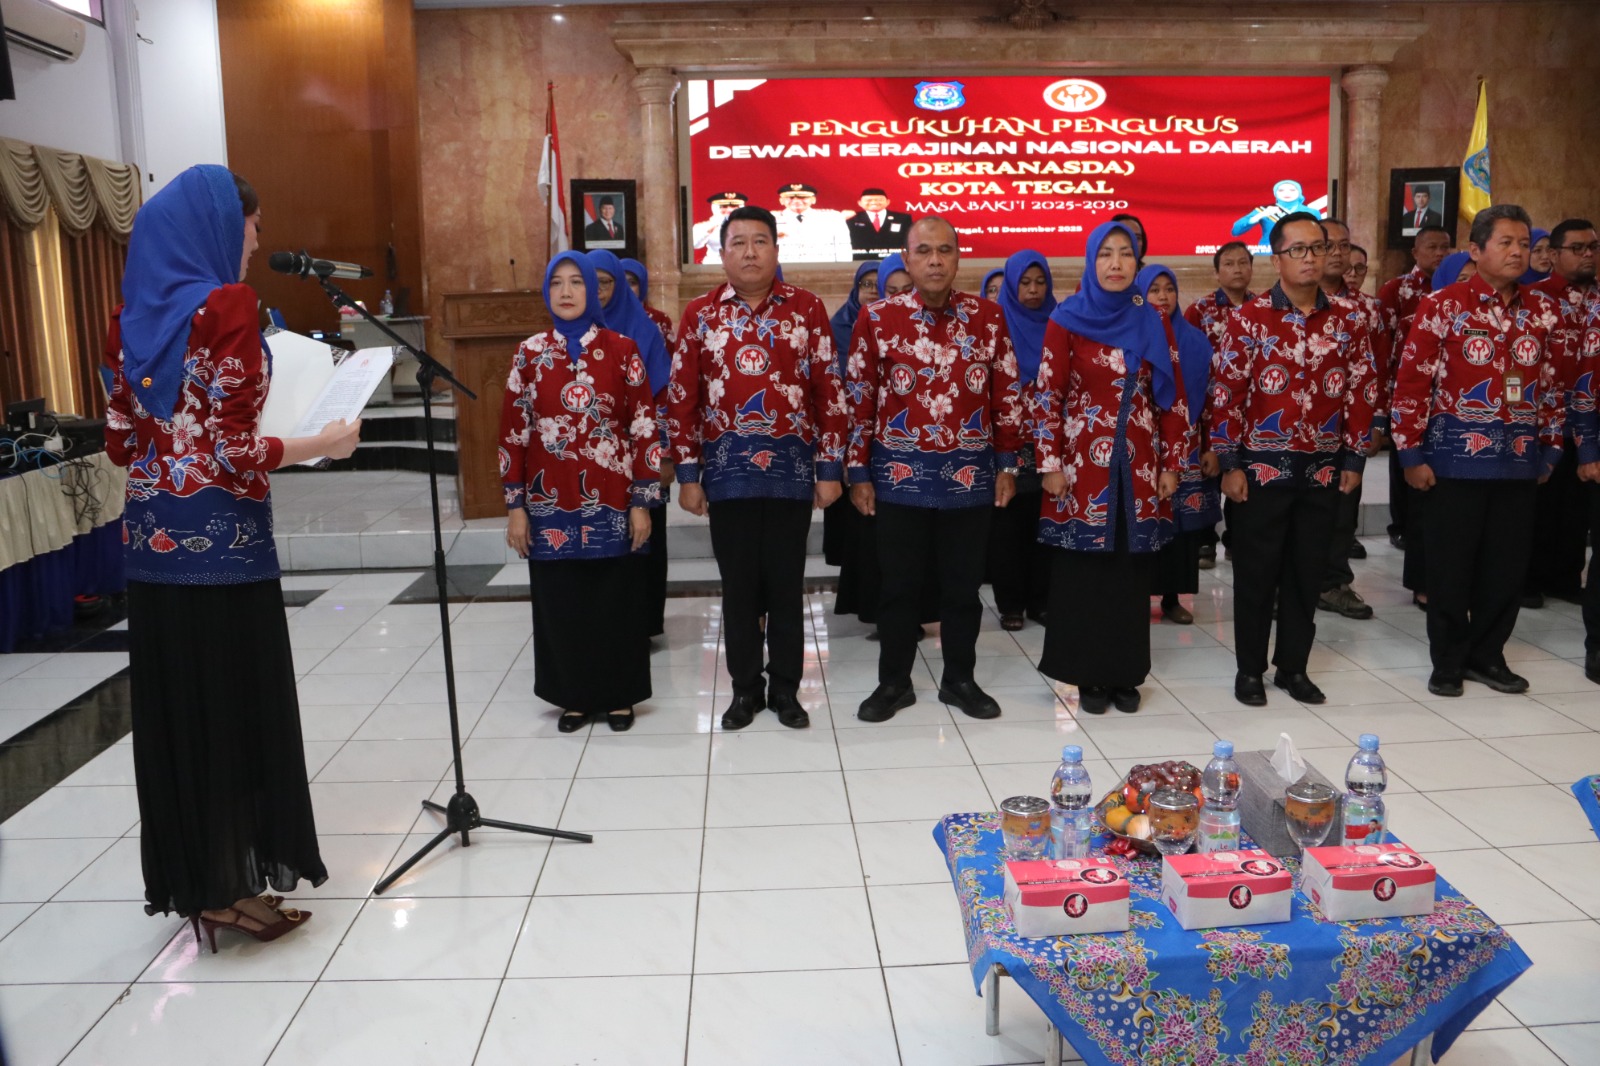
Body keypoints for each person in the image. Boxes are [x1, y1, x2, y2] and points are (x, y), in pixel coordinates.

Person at [104, 165, 361, 950]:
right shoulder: (227, 307)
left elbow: (120, 445)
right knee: (237, 714)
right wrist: (327, 440)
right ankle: (233, 885)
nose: (256, 240)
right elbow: (237, 451)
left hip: (153, 555)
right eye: (250, 224)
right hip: (225, 553)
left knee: (184, 718)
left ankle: (206, 884)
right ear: (217, 228)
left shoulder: (127, 321)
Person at [1390, 204, 1585, 698]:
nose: (1519, 251)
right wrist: (1410, 454)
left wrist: (1551, 449)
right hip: (1453, 462)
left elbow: (1551, 384)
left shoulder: (1544, 311)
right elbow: (1411, 384)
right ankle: (1449, 661)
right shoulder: (1443, 305)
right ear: (1475, 251)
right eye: (1506, 242)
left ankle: (1488, 656)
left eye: (1524, 242)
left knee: (1506, 569)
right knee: (1451, 568)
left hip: (1519, 462)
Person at [667, 205, 848, 729]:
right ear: (721, 253)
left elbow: (828, 393)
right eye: (738, 242)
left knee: (787, 587)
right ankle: (745, 690)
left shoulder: (807, 310)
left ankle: (787, 691)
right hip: (726, 476)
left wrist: (829, 467)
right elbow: (683, 399)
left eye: (760, 241)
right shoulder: (700, 314)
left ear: (776, 249)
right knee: (739, 588)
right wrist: (687, 475)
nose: (749, 251)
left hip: (792, 474)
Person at [847, 216, 1023, 722]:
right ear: (906, 259)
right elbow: (859, 400)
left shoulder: (988, 318)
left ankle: (959, 680)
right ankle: (894, 683)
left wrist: (1007, 463)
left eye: (945, 250)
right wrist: (858, 472)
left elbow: (1006, 395)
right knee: (898, 587)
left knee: (962, 589)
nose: (935, 261)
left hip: (969, 478)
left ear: (958, 257)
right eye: (923, 251)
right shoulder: (878, 318)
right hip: (899, 478)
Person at [1211, 212, 1375, 707]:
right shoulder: (1248, 319)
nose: (1310, 258)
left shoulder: (1350, 320)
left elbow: (1362, 391)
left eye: (1318, 248)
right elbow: (1226, 394)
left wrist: (1355, 458)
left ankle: (1293, 667)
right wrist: (1229, 462)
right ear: (1277, 257)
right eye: (1298, 249)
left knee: (1307, 572)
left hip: (1323, 468)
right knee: (1257, 574)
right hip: (1260, 470)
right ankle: (1249, 670)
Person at [1033, 224, 1188, 713]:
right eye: (1106, 254)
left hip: (1139, 468)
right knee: (1085, 573)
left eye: (1126, 254)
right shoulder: (1067, 319)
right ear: (1090, 262)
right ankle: (1087, 676)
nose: (1116, 263)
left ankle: (1124, 674)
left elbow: (1172, 398)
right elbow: (1047, 395)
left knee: (1128, 573)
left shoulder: (1153, 320)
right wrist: (1050, 463)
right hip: (1081, 469)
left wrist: (1172, 463)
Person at [501, 252, 658, 732]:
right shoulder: (528, 354)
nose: (566, 292)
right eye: (556, 284)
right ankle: (573, 696)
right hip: (549, 502)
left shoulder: (622, 348)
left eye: (576, 283)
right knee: (562, 603)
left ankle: (619, 697)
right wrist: (516, 507)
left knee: (615, 600)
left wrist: (642, 501)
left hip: (611, 497)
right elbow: (512, 432)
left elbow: (643, 427)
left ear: (594, 290)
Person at [831, 255, 932, 631]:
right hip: (870, 448)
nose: (898, 299)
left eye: (908, 291)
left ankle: (917, 614)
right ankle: (880, 613)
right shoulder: (855, 326)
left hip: (919, 450)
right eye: (891, 291)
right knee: (877, 539)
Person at [590, 250, 673, 638]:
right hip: (589, 460)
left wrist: (664, 454)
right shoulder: (571, 330)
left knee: (643, 539)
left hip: (640, 455)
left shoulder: (645, 329)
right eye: (591, 281)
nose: (598, 290)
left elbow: (664, 395)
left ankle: (642, 624)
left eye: (606, 282)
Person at [1315, 218, 1389, 622]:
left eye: (1345, 245)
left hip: (1348, 430)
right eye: (1329, 245)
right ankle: (1284, 585)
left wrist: (1376, 423)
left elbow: (1378, 370)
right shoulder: (1284, 302)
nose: (1339, 253)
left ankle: (1333, 583)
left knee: (1343, 509)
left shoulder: (1368, 309)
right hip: (1296, 431)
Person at [1139, 264, 1218, 627]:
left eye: (1168, 289)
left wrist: (1211, 446)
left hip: (1186, 444)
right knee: (1144, 523)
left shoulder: (1196, 341)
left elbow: (1212, 397)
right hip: (1141, 445)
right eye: (1154, 290)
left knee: (1183, 528)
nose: (1163, 297)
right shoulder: (1133, 337)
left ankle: (1173, 598)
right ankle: (1138, 596)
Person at [1526, 219, 1599, 606]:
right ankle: (1528, 578)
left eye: (1593, 247)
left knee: (1577, 508)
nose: (1588, 255)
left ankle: (1565, 577)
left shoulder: (1599, 299)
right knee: (1540, 505)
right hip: (1545, 419)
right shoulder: (1534, 298)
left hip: (1591, 424)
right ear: (1553, 255)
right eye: (1577, 248)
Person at [988, 249, 1056, 630]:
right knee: (1007, 529)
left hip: (1047, 441)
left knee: (1044, 525)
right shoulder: (996, 325)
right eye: (1024, 283)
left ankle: (1041, 601)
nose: (1032, 290)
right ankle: (1010, 603)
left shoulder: (1061, 323)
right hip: (1006, 442)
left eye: (1039, 281)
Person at [1378, 224, 1453, 552]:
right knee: (1403, 461)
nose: (1439, 254)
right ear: (1415, 252)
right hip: (1406, 390)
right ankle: (1401, 526)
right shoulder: (1398, 290)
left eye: (1445, 248)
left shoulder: (1456, 289)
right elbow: (1383, 344)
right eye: (1432, 247)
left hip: (1447, 395)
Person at [1184, 240, 1256, 568]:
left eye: (1244, 262)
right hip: (1209, 408)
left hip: (1251, 411)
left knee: (1242, 473)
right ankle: (1204, 542)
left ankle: (1238, 539)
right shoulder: (1199, 311)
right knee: (1207, 475)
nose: (1238, 269)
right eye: (1229, 263)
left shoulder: (1265, 308)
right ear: (1216, 273)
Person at [775, 182, 853, 262]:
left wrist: (843, 269)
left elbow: (843, 247)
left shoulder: (833, 217)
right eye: (790, 197)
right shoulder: (773, 219)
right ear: (781, 200)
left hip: (823, 269)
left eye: (802, 197)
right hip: (784, 269)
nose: (796, 201)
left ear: (813, 200)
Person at [1231, 179, 1321, 245]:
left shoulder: (1312, 212)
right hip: (1268, 254)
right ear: (1275, 193)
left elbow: (1320, 237)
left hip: (1300, 253)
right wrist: (1261, 215)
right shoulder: (1265, 210)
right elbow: (1236, 231)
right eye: (1281, 190)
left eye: (1292, 190)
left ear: (1299, 193)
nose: (1287, 193)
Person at [620, 257, 676, 344]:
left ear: (642, 286)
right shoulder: (606, 319)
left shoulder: (660, 320)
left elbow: (670, 355)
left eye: (632, 283)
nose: (626, 288)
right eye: (622, 282)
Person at [846, 187, 913, 258]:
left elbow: (909, 241)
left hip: (894, 259)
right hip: (859, 260)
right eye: (869, 200)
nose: (874, 202)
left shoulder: (902, 218)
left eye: (879, 200)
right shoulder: (851, 218)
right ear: (860, 203)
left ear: (887, 202)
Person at [692, 191, 747, 266]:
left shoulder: (749, 225)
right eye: (724, 206)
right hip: (714, 266)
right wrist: (710, 228)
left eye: (734, 206)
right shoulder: (705, 226)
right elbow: (694, 244)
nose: (729, 210)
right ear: (715, 208)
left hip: (742, 267)